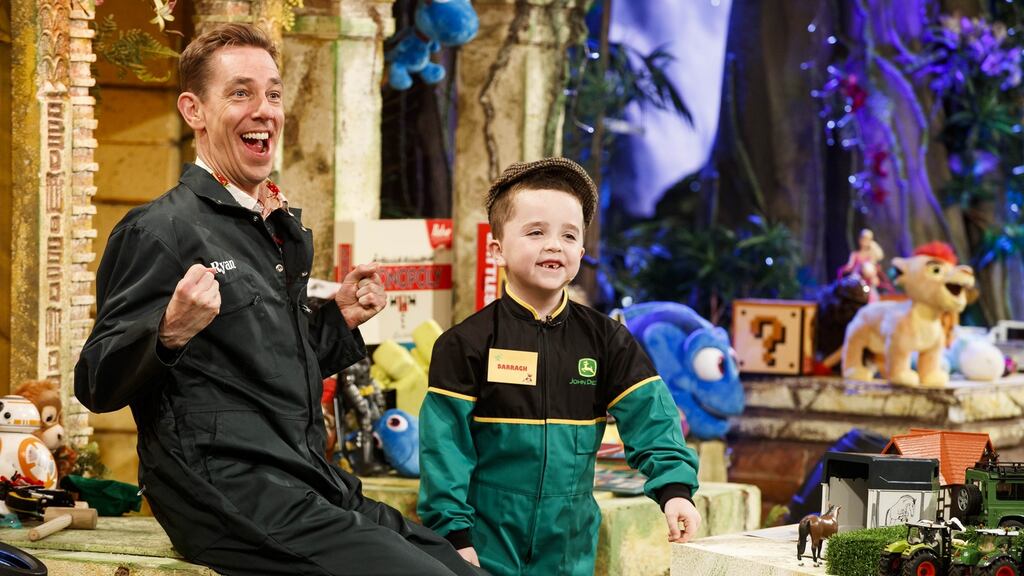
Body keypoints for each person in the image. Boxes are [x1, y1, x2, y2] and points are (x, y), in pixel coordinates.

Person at [75, 23, 484, 576]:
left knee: (461, 568)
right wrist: (168, 331)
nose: (264, 109)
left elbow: (268, 366)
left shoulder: (274, 227)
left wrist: (338, 319)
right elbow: (96, 384)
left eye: (272, 93)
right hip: (224, 492)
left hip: (305, 475)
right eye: (240, 92)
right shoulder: (158, 231)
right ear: (193, 110)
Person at [417, 157, 702, 576]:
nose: (554, 245)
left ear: (581, 252)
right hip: (487, 543)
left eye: (569, 235)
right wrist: (455, 536)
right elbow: (445, 449)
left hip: (569, 545)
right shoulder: (465, 344)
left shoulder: (608, 341)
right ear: (496, 249)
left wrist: (675, 490)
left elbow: (651, 418)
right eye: (535, 232)